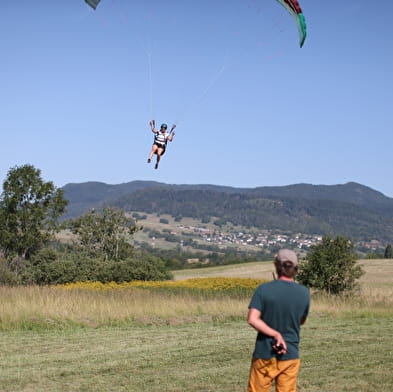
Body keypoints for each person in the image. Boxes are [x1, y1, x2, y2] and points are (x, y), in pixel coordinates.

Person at [247, 249, 310, 392]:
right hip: (290, 352)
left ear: (277, 266)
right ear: (295, 269)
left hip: (265, 352)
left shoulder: (263, 290)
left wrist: (275, 334)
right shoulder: (304, 293)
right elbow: (301, 321)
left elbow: (252, 319)